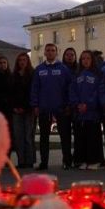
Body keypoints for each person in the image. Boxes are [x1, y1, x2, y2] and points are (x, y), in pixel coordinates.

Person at [30, 43, 73, 171]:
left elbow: (69, 88)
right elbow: (35, 88)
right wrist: (35, 105)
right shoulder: (39, 69)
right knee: (44, 137)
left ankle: (67, 161)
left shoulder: (64, 69)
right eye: (47, 50)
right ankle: (44, 162)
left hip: (61, 108)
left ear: (56, 52)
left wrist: (68, 104)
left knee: (64, 136)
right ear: (44, 53)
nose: (50, 52)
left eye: (52, 50)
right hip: (44, 108)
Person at [70, 50, 104, 169]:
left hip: (92, 113)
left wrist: (88, 105)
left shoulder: (97, 75)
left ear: (92, 60)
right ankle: (82, 160)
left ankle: (94, 160)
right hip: (80, 113)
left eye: (88, 58)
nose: (85, 61)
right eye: (83, 58)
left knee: (93, 136)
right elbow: (72, 91)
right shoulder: (77, 75)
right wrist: (77, 104)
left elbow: (98, 92)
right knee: (81, 137)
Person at [10, 52, 36, 170]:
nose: (22, 62)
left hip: (28, 109)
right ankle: (21, 161)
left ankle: (29, 161)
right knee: (18, 136)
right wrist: (15, 107)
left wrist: (27, 107)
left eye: (24, 60)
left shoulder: (32, 75)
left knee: (28, 136)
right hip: (16, 110)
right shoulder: (13, 76)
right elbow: (10, 93)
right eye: (20, 60)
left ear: (28, 61)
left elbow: (33, 92)